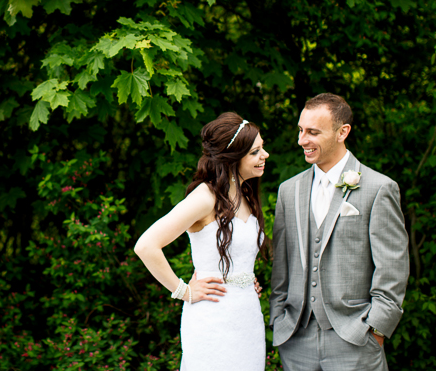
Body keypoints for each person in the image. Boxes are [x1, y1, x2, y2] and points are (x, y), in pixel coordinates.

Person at [270, 93, 409, 370]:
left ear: (342, 132)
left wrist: (376, 329)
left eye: (313, 132)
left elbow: (392, 267)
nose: (301, 140)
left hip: (355, 340)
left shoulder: (378, 188)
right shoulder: (289, 190)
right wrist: (278, 315)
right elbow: (281, 264)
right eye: (300, 130)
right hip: (296, 340)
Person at [134, 112, 269, 371]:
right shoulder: (206, 197)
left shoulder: (246, 195)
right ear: (233, 158)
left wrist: (244, 278)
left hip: (247, 317)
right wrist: (183, 291)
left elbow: (238, 254)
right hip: (213, 318)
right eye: (255, 152)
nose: (265, 156)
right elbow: (146, 245)